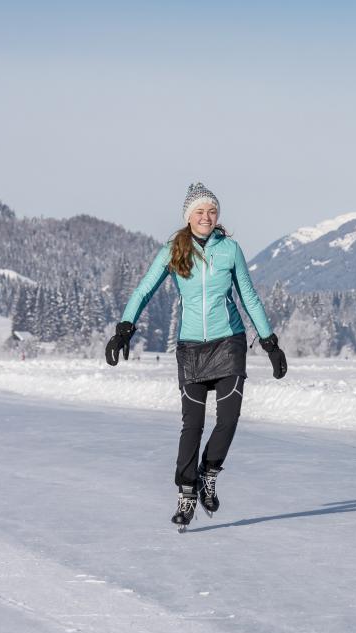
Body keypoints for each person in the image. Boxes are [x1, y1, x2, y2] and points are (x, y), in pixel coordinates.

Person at [105, 182, 288, 530]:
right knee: (193, 424)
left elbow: (248, 295)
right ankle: (187, 492)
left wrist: (269, 342)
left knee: (229, 419)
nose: (206, 217)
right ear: (188, 217)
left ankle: (209, 473)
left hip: (229, 342)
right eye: (199, 212)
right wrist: (124, 327)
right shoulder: (174, 249)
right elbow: (145, 289)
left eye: (211, 211)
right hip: (190, 347)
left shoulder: (230, 249)